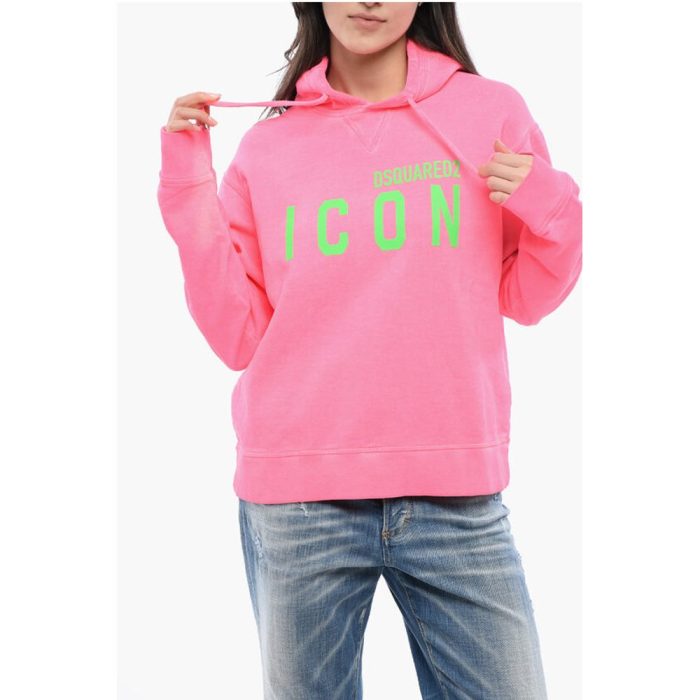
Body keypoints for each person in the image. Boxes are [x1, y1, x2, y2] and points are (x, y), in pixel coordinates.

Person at [157, 2, 581, 698]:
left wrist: (551, 202)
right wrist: (187, 184)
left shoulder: (490, 113)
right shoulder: (269, 148)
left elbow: (529, 296)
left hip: (456, 492)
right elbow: (236, 335)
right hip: (299, 499)